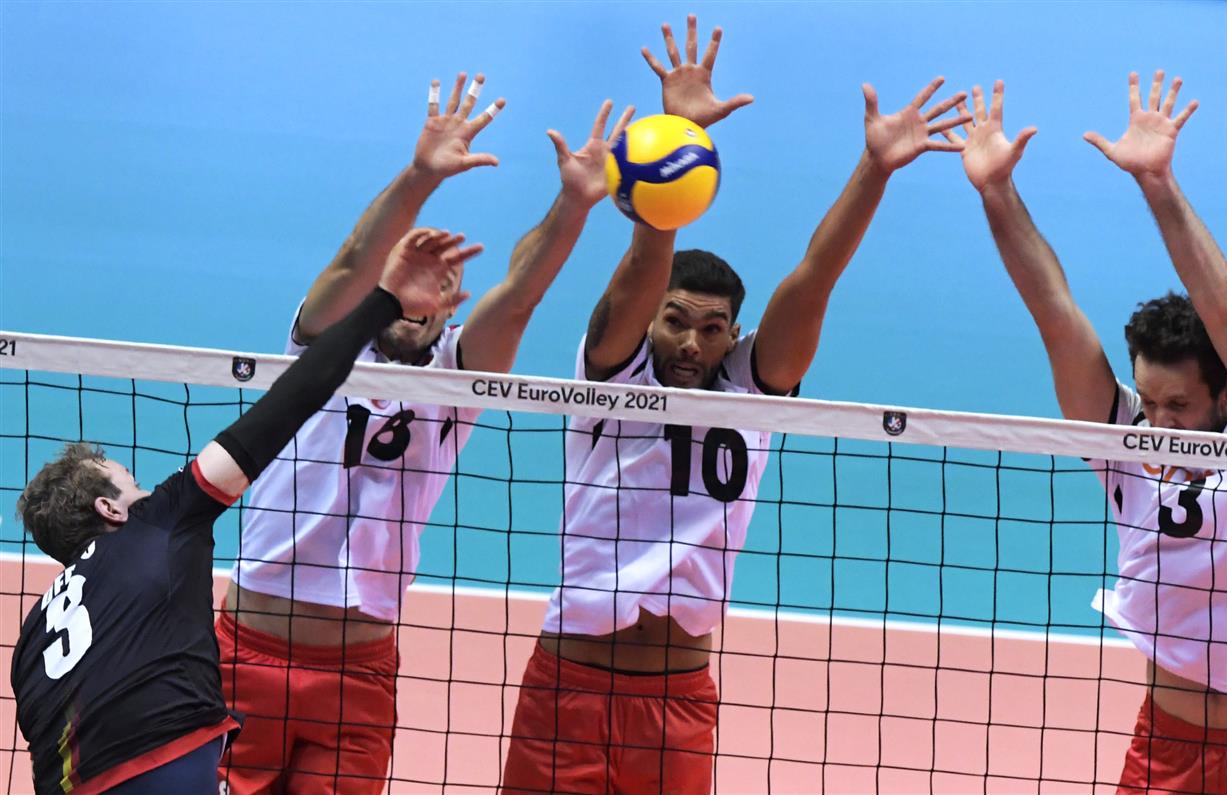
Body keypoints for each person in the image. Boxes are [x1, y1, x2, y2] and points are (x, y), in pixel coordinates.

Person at [500, 15, 970, 794]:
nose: (691, 342)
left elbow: (814, 277)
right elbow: (643, 268)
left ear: (733, 335)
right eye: (675, 321)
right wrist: (677, 140)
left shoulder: (752, 393)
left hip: (677, 702)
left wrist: (875, 169)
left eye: (712, 329)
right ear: (653, 321)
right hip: (569, 690)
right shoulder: (613, 372)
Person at [218, 71, 633, 793]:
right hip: (245, 656)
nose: (418, 297)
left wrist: (572, 206)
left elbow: (521, 296)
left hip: (356, 677)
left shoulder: (455, 379)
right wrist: (420, 177)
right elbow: (353, 259)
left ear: (453, 305)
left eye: (437, 286)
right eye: (405, 279)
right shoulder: (316, 348)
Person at [10, 227, 475, 795]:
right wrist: (382, 302)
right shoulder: (160, 523)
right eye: (129, 480)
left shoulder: (32, 635)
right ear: (109, 509)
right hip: (161, 768)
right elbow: (289, 402)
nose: (143, 486)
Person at [946, 73, 1227, 794]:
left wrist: (1158, 184)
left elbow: (1225, 311)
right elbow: (1055, 312)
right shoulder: (1128, 445)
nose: (1160, 422)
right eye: (1149, 401)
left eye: (1179, 404)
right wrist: (997, 194)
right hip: (1167, 749)